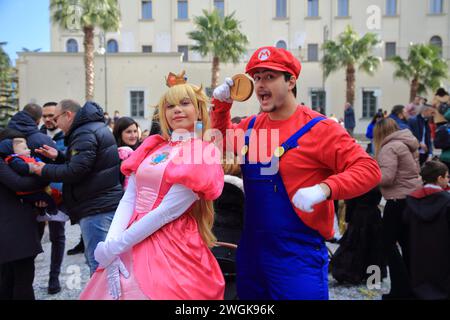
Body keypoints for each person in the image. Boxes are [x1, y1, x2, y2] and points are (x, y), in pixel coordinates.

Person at [211, 46, 381, 300]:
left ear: (291, 81)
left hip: (297, 256)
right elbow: (221, 140)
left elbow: (369, 169)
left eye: (269, 76)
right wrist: (221, 107)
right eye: (256, 77)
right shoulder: (251, 126)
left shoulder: (320, 129)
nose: (260, 85)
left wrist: (325, 189)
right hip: (252, 252)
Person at [78, 73, 225, 300]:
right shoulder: (153, 146)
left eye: (185, 103)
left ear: (198, 109)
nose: (177, 110)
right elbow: (130, 197)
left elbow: (167, 211)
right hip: (131, 233)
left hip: (172, 242)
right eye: (170, 105)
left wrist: (117, 245)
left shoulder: (202, 152)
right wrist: (110, 243)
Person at [31, 100, 124, 275]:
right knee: (104, 262)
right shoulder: (90, 128)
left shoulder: (84, 132)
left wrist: (44, 169)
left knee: (99, 266)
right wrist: (59, 155)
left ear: (68, 115)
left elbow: (76, 170)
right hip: (101, 203)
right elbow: (87, 161)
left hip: (97, 208)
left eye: (56, 117)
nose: (55, 123)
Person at [373, 117, 422, 299]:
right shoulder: (406, 143)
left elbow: (387, 177)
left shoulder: (389, 148)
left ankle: (400, 290)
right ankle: (411, 287)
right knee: (407, 244)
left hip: (396, 201)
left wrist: (368, 177)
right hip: (411, 199)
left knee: (387, 244)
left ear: (380, 133)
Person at [0, 129, 47, 300]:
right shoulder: (5, 162)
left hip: (13, 229)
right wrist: (45, 173)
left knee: (9, 278)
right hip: (13, 231)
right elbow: (19, 184)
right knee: (22, 280)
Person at [403, 160, 450, 300]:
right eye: (447, 176)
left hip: (418, 247)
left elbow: (406, 219)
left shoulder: (413, 199)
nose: (448, 179)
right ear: (439, 178)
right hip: (443, 247)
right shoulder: (447, 201)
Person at [38, 101, 69, 294]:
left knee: (58, 237)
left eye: (52, 115)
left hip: (59, 197)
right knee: (34, 237)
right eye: (45, 116)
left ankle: (53, 278)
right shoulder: (35, 137)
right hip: (37, 196)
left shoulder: (67, 137)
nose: (48, 119)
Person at [0, 138, 60, 215]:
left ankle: (45, 213)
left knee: (47, 198)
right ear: (13, 151)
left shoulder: (21, 159)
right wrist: (39, 170)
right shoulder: (14, 160)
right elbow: (21, 176)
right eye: (25, 148)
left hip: (28, 193)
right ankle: (54, 213)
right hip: (25, 195)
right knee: (46, 198)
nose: (29, 150)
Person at [112, 116, 141, 188]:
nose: (133, 135)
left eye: (135, 131)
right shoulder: (114, 154)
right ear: (119, 134)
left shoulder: (141, 150)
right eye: (128, 132)